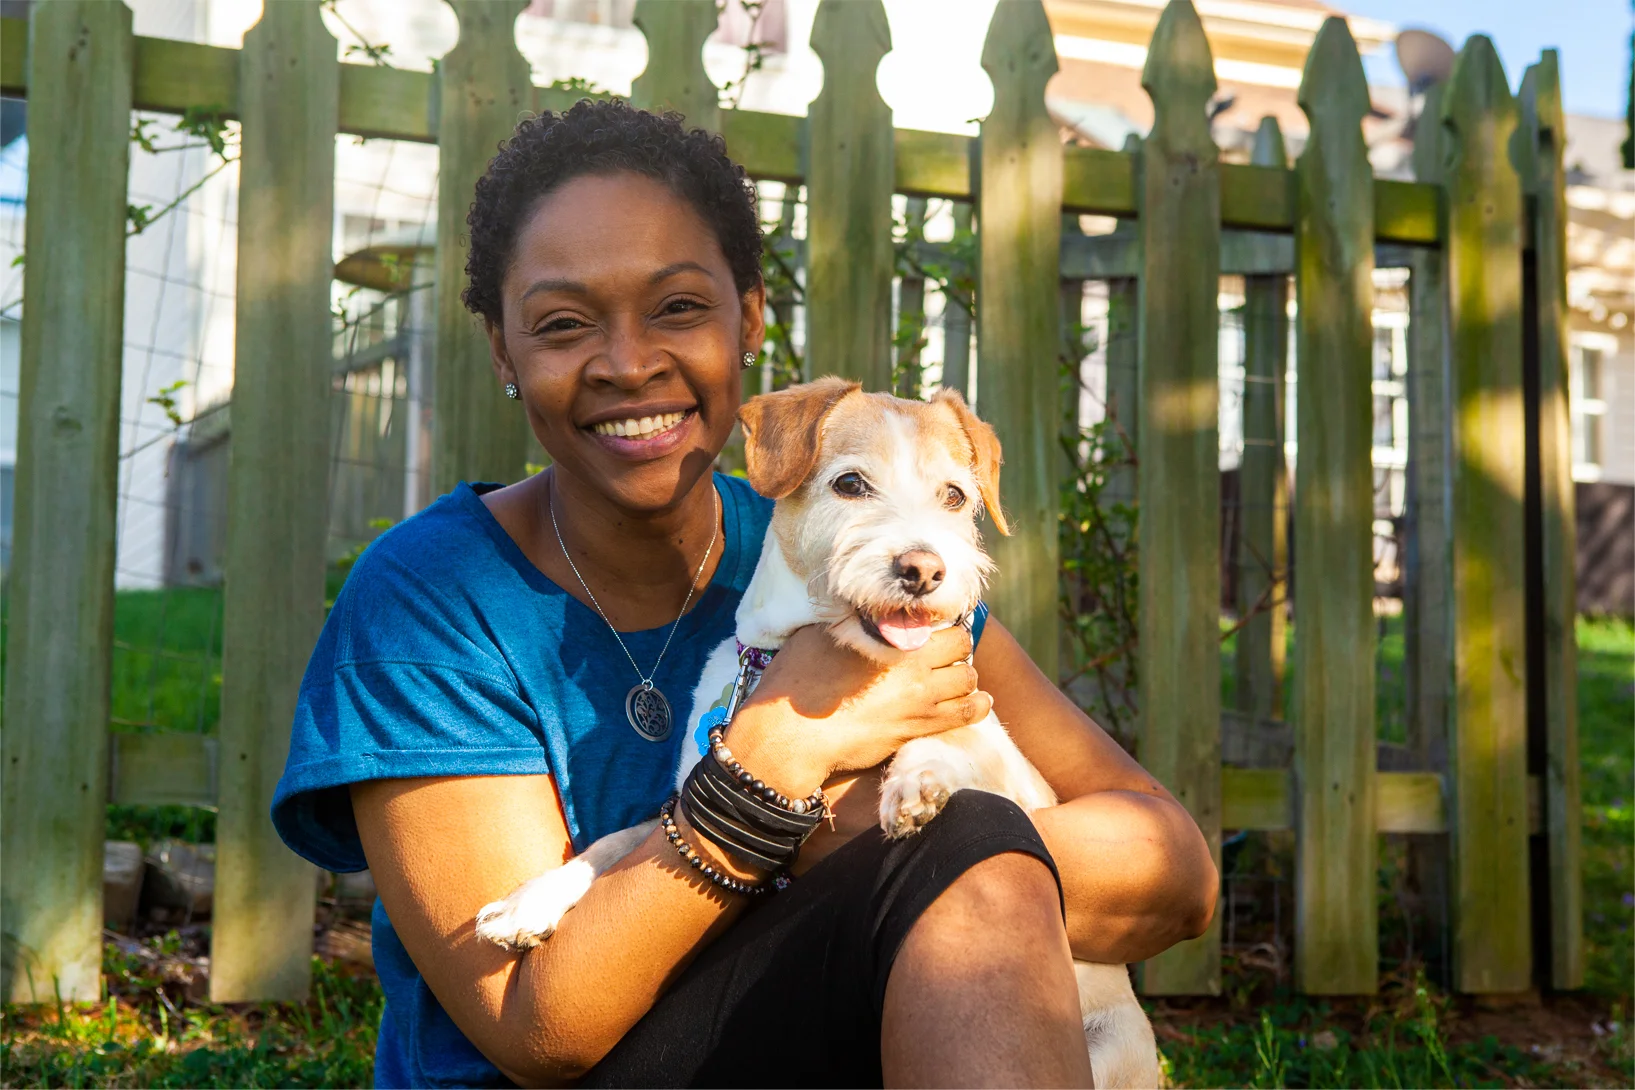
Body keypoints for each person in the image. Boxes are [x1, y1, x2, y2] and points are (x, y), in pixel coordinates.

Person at [273, 99, 1215, 1089]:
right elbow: (539, 1027)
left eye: (678, 307)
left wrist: (885, 846)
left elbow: (1172, 874)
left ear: (749, 319)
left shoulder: (862, 564)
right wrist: (780, 756)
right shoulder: (432, 597)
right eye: (562, 323)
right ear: (505, 352)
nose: (629, 362)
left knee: (971, 831)